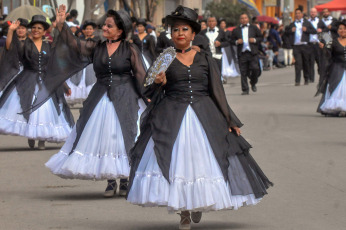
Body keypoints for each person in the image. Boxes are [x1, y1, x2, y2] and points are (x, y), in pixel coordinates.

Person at [126, 6, 272, 230]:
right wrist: (158, 82)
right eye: (175, 30)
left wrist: (231, 121)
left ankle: (196, 205)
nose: (180, 33)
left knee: (202, 162)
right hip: (171, 115)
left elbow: (217, 92)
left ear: (194, 34)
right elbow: (146, 90)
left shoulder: (205, 58)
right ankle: (184, 212)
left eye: (185, 29)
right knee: (179, 165)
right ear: (170, 34)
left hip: (205, 115)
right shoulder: (164, 57)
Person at [39, 5, 146, 197]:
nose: (104, 28)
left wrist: (148, 93)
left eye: (109, 26)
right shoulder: (97, 47)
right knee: (105, 139)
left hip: (125, 97)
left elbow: (139, 73)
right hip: (100, 96)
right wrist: (61, 25)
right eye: (104, 25)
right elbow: (74, 44)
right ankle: (111, 180)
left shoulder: (130, 49)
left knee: (124, 137)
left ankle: (125, 179)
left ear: (120, 30)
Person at [0, 15, 74, 150]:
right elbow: (10, 47)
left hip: (46, 82)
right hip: (27, 79)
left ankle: (41, 139)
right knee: (29, 107)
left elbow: (55, 66)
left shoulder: (49, 45)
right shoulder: (24, 44)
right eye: (33, 27)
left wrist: (64, 85)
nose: (35, 30)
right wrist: (11, 31)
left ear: (44, 31)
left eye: (39, 28)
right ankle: (31, 134)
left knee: (44, 109)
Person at [64, 21, 99, 106]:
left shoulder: (97, 40)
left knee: (91, 80)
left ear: (93, 30)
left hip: (92, 64)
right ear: (83, 30)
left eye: (90, 29)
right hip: (81, 63)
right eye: (87, 29)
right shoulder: (79, 40)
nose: (88, 30)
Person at [317, 20, 346, 117]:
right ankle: (337, 108)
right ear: (337, 30)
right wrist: (323, 47)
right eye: (340, 29)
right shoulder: (332, 40)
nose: (343, 30)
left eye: (345, 29)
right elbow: (328, 53)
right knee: (338, 87)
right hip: (337, 67)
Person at [230, 13, 262, 95]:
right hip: (242, 53)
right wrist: (237, 42)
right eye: (242, 18)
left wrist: (254, 40)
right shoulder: (236, 30)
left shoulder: (254, 28)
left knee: (255, 69)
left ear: (248, 19)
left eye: (245, 18)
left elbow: (261, 37)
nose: (244, 20)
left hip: (252, 52)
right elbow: (231, 41)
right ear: (240, 20)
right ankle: (245, 89)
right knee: (243, 71)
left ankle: (253, 82)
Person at [287, 8, 317, 86]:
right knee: (298, 63)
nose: (297, 15)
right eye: (296, 13)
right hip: (296, 46)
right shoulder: (292, 24)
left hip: (305, 46)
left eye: (299, 13)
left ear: (302, 14)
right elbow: (286, 32)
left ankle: (306, 79)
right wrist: (291, 30)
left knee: (306, 62)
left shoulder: (307, 23)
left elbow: (314, 31)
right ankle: (297, 81)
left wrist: (306, 30)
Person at [199, 16, 229, 83]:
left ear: (216, 22)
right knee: (208, 74)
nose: (211, 23)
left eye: (213, 21)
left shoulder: (221, 32)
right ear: (207, 23)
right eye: (209, 21)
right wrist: (205, 44)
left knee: (217, 74)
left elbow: (227, 42)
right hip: (206, 57)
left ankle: (217, 90)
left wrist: (220, 44)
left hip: (217, 56)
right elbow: (199, 44)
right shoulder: (202, 33)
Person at [308, 8, 321, 83]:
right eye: (311, 12)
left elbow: (324, 31)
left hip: (318, 44)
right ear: (310, 13)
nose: (313, 13)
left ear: (316, 13)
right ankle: (311, 78)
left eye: (314, 12)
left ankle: (321, 76)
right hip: (310, 44)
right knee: (310, 62)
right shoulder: (307, 21)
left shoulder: (319, 21)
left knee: (319, 61)